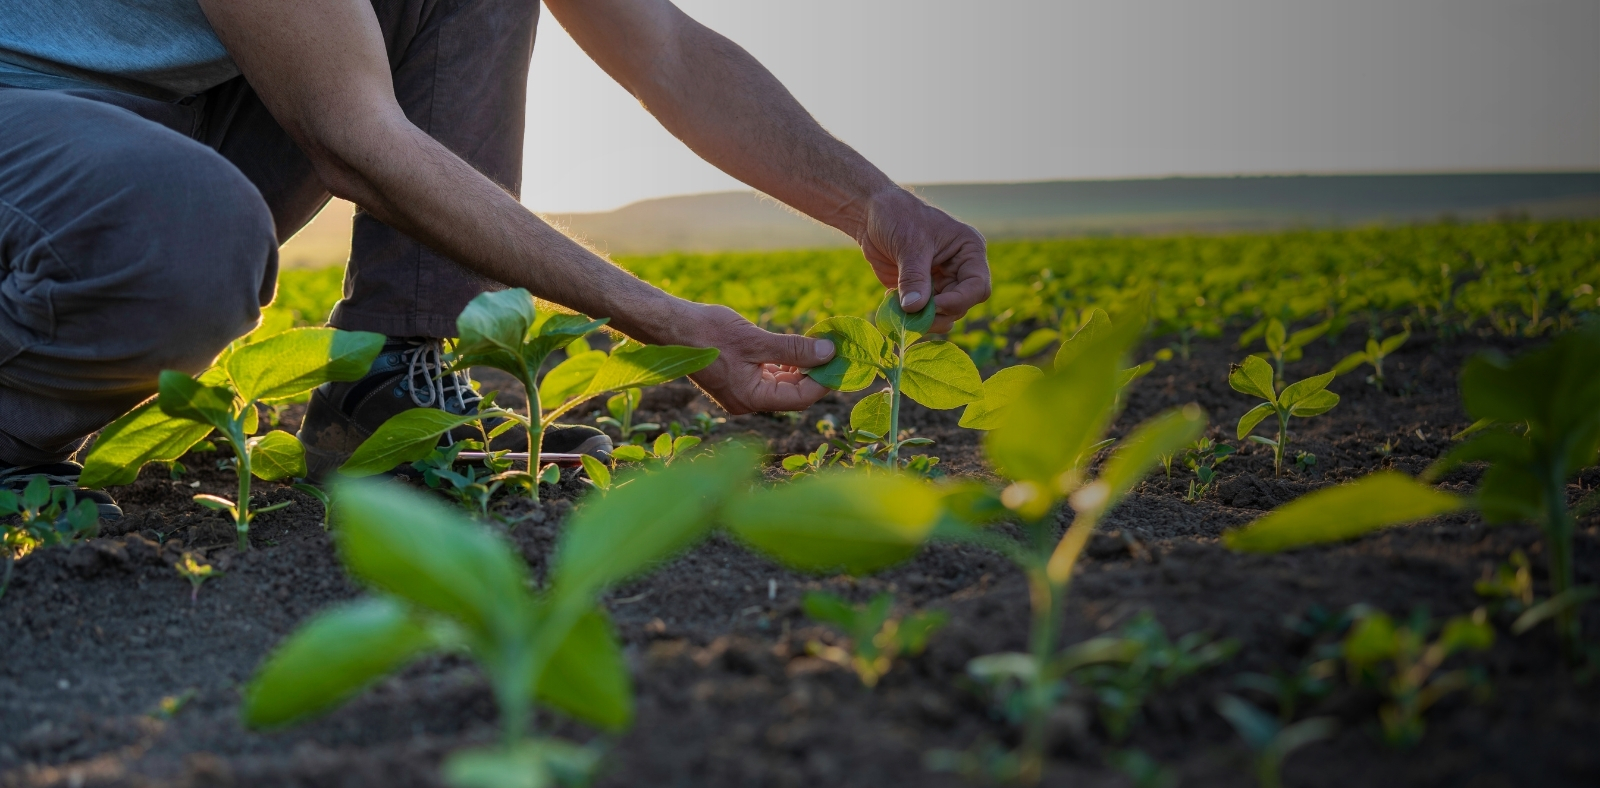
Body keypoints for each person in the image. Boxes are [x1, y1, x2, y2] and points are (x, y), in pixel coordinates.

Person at [0, 0, 992, 516]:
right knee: (181, 232)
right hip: (30, 131)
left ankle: (392, 390)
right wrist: (670, 325)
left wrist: (873, 200)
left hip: (145, 128)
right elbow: (353, 137)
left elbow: (669, 53)